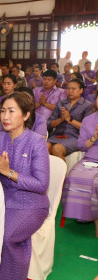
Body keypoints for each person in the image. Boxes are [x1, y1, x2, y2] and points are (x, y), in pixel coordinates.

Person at [0, 92, 50, 280]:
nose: (5, 116)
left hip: (31, 203)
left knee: (6, 237)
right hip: (2, 199)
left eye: (12, 111)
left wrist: (8, 172)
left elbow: (41, 184)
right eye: (3, 111)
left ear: (26, 115)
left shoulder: (36, 142)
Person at [61, 96, 98, 237]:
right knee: (73, 176)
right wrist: (94, 138)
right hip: (91, 157)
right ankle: (83, 214)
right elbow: (82, 145)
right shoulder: (89, 120)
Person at [47, 78, 94, 161]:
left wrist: (70, 119)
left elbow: (88, 128)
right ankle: (47, 173)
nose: (70, 91)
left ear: (81, 90)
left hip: (75, 137)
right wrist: (61, 119)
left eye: (73, 89)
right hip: (57, 135)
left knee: (57, 148)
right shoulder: (61, 103)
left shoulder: (87, 106)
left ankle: (63, 174)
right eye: (68, 88)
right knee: (45, 147)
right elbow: (49, 124)